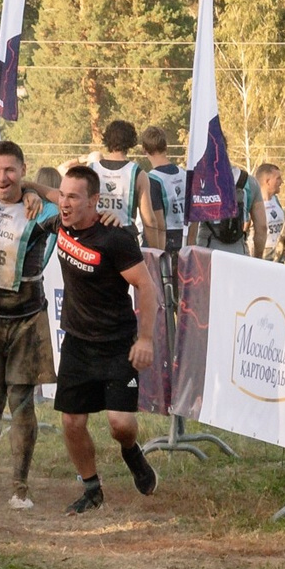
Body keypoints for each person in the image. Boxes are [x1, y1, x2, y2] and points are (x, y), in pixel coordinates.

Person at [52, 164, 162, 515]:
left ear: (94, 201)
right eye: (62, 196)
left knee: (121, 424)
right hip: (77, 342)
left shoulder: (115, 238)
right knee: (72, 421)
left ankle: (131, 452)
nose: (65, 204)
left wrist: (144, 339)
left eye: (73, 197)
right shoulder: (58, 222)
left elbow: (147, 287)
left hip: (117, 344)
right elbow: (44, 194)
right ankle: (91, 489)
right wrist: (25, 184)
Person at [0, 139, 61, 510]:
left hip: (26, 321)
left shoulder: (40, 212)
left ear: (22, 169)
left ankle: (20, 486)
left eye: (10, 170)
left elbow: (71, 201)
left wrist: (34, 189)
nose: (2, 177)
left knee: (22, 402)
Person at [89, 119, 162, 248]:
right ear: (131, 142)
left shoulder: (91, 169)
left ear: (107, 140)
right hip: (125, 240)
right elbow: (149, 219)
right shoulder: (138, 173)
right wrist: (155, 252)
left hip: (95, 237)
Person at [192, 159, 263, 258]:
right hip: (239, 253)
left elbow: (192, 225)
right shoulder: (250, 182)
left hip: (207, 252)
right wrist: (258, 259)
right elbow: (262, 227)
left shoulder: (198, 181)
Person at [140, 125, 187, 265]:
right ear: (166, 147)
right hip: (183, 237)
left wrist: (157, 257)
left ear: (144, 150)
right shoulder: (183, 173)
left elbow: (158, 223)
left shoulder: (152, 179)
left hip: (164, 241)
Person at [255, 163, 285, 254]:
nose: (282, 182)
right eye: (278, 178)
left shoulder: (276, 200)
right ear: (267, 181)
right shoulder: (254, 202)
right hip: (261, 256)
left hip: (278, 255)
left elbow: (282, 235)